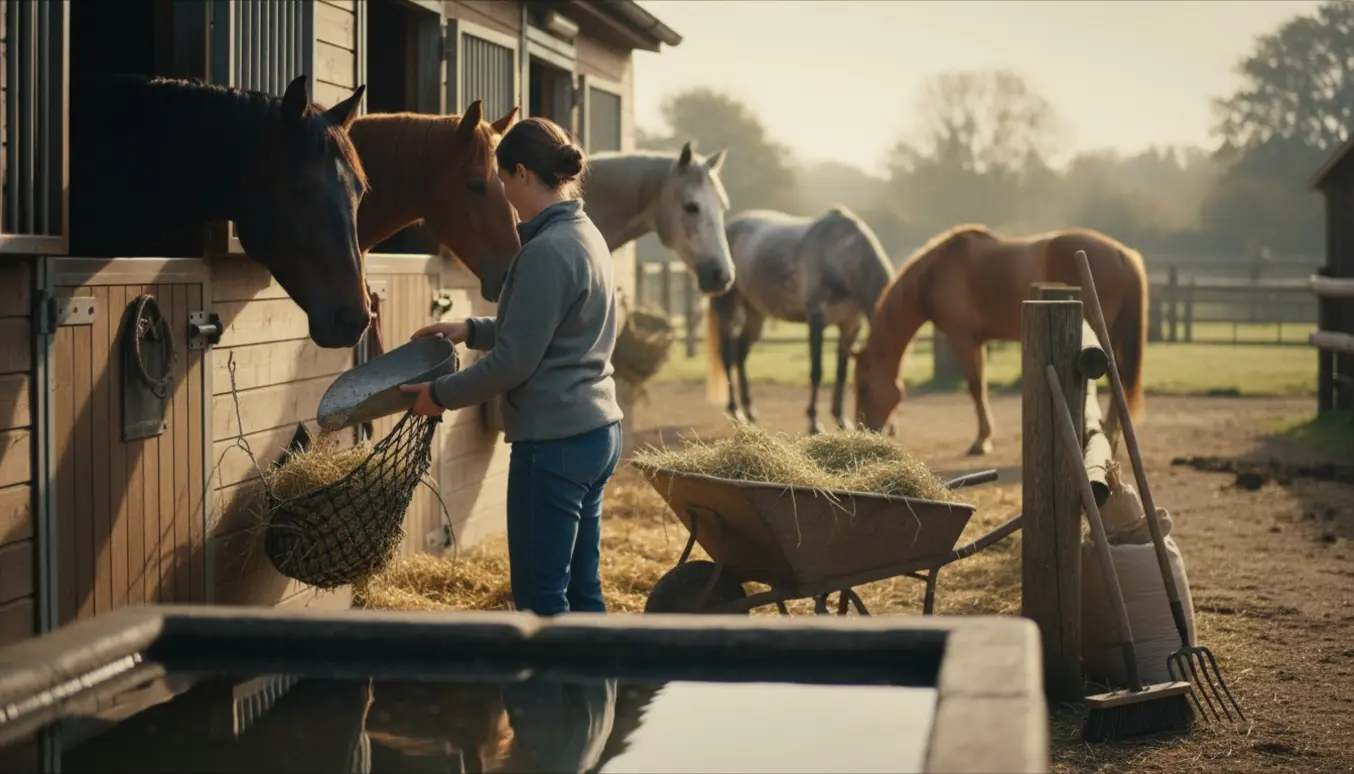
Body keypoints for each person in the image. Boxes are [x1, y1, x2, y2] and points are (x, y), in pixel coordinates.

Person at [399, 117, 623, 617]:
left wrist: (438, 396)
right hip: (595, 430)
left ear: (521, 173)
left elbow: (514, 363)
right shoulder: (585, 234)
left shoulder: (547, 250)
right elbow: (550, 323)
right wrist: (472, 329)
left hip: (555, 443)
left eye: (501, 180)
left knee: (541, 602)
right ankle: (593, 695)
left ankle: (546, 696)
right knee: (584, 593)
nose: (501, 192)